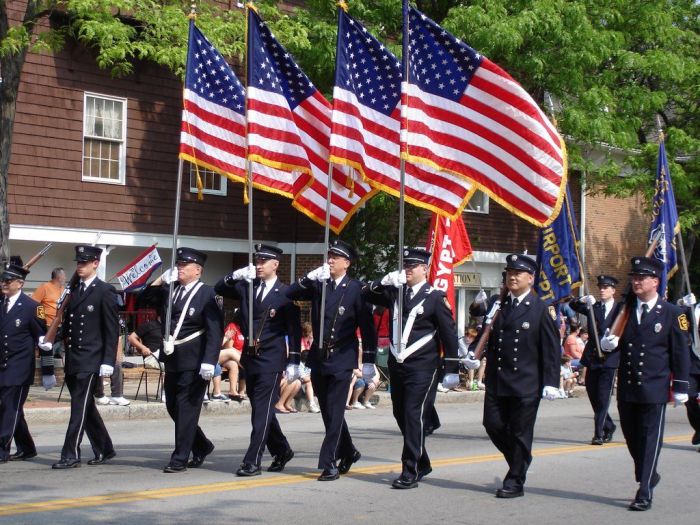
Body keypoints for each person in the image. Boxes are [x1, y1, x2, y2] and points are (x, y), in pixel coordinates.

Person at [364, 248, 475, 489]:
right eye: (405, 265)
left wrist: (452, 368)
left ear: (425, 269)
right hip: (399, 364)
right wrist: (382, 280)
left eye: (413, 266)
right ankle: (422, 461)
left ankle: (410, 470)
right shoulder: (395, 292)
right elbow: (366, 293)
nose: (408, 270)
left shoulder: (435, 297)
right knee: (400, 414)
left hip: (424, 366)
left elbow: (448, 333)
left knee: (414, 414)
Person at [600, 257, 690, 511]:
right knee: (632, 438)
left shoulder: (672, 313)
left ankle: (644, 491)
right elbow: (613, 340)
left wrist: (681, 386)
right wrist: (608, 346)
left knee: (651, 440)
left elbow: (680, 352)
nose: (636, 281)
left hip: (655, 388)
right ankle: (649, 474)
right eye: (634, 277)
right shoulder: (624, 310)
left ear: (655, 282)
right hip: (628, 386)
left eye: (642, 277)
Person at [286, 239, 377, 481]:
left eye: (335, 257)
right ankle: (349, 452)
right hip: (319, 357)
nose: (330, 260)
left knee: (336, 411)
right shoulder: (320, 286)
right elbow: (290, 293)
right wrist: (309, 277)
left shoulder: (356, 289)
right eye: (329, 256)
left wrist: (368, 360)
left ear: (346, 263)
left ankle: (329, 463)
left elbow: (368, 329)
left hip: (342, 357)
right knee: (327, 412)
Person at [215, 244, 299, 476]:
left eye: (264, 261)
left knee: (260, 412)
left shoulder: (285, 293)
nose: (259, 265)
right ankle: (282, 450)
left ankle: (252, 461)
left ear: (276, 264)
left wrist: (294, 360)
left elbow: (294, 330)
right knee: (261, 409)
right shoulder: (247, 287)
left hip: (271, 359)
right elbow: (220, 287)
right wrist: (236, 274)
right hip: (249, 358)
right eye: (257, 261)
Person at [481, 254, 561, 498]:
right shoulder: (499, 304)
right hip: (497, 379)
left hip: (526, 382)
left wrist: (551, 382)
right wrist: (475, 353)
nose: (512, 277)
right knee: (492, 424)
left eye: (518, 273)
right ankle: (521, 458)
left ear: (531, 278)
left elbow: (551, 348)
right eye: (509, 273)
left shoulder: (541, 308)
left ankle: (515, 480)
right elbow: (489, 336)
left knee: (520, 432)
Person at [140, 247, 223, 473]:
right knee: (172, 406)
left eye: (184, 265)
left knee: (187, 408)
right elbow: (143, 299)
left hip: (195, 359)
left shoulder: (208, 293)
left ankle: (180, 458)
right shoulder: (171, 290)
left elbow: (215, 330)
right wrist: (160, 280)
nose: (179, 268)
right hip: (173, 358)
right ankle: (202, 445)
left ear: (198, 270)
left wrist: (210, 360)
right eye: (178, 264)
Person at [46, 245, 120, 469]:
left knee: (78, 407)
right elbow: (67, 323)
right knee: (86, 407)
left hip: (91, 358)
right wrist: (51, 337)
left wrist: (108, 361)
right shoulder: (74, 291)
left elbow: (111, 329)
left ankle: (70, 454)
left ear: (95, 264)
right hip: (73, 357)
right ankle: (105, 448)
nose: (80, 266)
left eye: (85, 262)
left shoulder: (104, 290)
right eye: (78, 262)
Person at [0, 264, 47, 463]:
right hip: (2, 365)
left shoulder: (34, 307)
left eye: (8, 281)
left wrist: (48, 370)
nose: (3, 283)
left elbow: (44, 341)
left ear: (20, 283)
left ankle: (2, 449)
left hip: (19, 367)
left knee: (9, 408)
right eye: (2, 280)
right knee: (12, 409)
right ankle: (27, 447)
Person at [569, 275, 622, 445]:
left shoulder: (620, 309)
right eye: (600, 287)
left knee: (603, 397)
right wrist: (582, 299)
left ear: (613, 290)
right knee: (593, 395)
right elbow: (572, 305)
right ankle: (609, 425)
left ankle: (598, 433)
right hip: (592, 358)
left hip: (610, 358)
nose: (602, 290)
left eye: (606, 287)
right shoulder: (594, 307)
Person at [677, 293, 700, 449]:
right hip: (693, 361)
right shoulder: (692, 309)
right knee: (689, 397)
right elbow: (677, 320)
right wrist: (682, 304)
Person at [94, 318, 130, 406]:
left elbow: (118, 338)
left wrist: (117, 358)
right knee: (97, 365)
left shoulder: (112, 320)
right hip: (91, 350)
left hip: (106, 351)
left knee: (117, 365)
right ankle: (99, 395)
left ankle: (117, 395)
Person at [31, 267, 66, 357]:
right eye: (64, 276)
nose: (65, 278)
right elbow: (33, 304)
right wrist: (41, 320)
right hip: (48, 325)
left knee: (58, 353)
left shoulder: (63, 289)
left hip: (61, 325)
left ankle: (57, 370)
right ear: (59, 277)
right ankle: (48, 370)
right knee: (47, 351)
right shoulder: (45, 287)